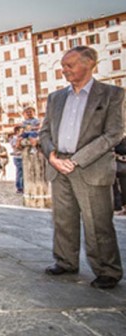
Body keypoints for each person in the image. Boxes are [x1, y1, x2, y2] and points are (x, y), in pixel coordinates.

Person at [39, 46, 124, 289]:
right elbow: (44, 131)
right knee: (63, 219)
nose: (64, 70)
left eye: (70, 65)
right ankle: (65, 261)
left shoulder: (112, 94)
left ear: (89, 64)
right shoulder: (56, 98)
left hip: (91, 166)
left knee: (98, 222)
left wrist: (78, 159)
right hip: (59, 164)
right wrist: (52, 155)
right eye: (63, 66)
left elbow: (114, 133)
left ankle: (107, 270)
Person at [9, 126, 24, 193]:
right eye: (21, 131)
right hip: (18, 157)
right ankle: (20, 187)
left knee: (21, 173)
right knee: (20, 173)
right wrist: (19, 140)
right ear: (17, 131)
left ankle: (21, 187)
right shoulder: (15, 138)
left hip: (19, 157)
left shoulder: (13, 138)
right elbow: (16, 147)